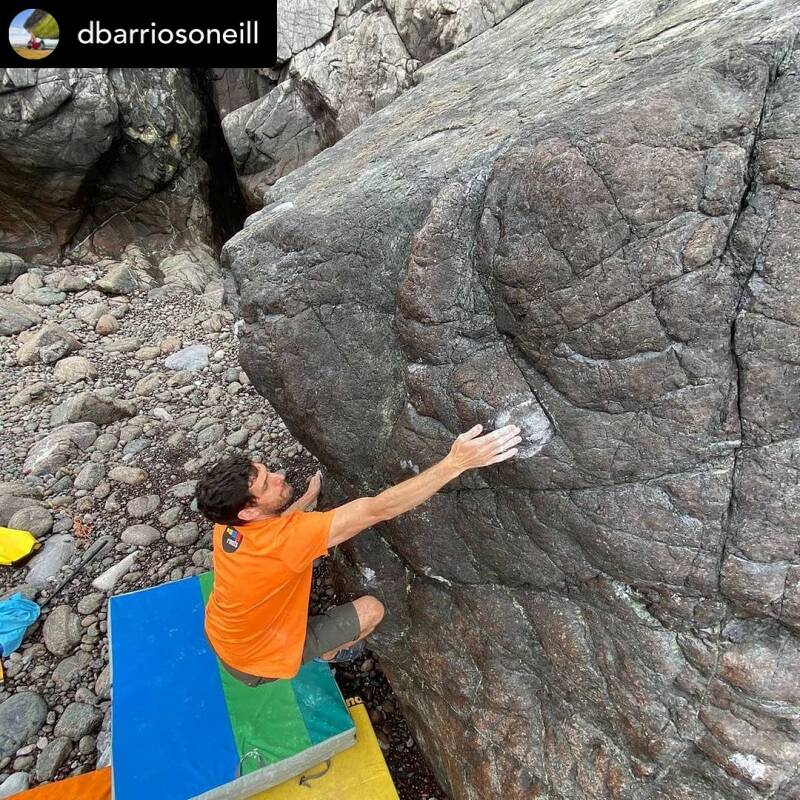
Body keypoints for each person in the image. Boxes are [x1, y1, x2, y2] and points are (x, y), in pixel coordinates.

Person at [195, 423, 522, 686]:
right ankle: (329, 653)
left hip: (221, 632)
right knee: (371, 610)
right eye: (267, 485)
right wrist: (456, 463)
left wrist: (307, 498)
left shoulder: (226, 526)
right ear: (248, 513)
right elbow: (378, 509)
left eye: (269, 472)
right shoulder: (288, 542)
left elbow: (276, 531)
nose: (280, 477)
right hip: (254, 663)